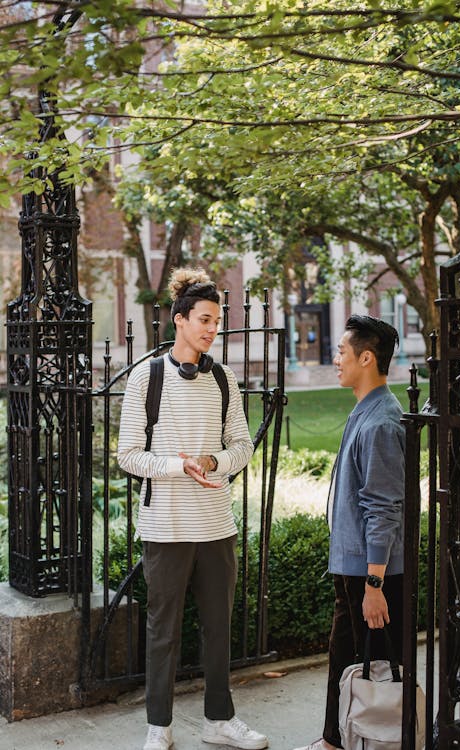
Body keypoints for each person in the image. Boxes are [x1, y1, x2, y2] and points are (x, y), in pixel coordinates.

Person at [118, 268, 268, 750]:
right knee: (163, 631)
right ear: (179, 320)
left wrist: (213, 460)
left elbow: (243, 446)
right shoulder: (148, 376)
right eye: (204, 319)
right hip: (165, 526)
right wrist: (177, 466)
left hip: (216, 525)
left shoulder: (223, 378)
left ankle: (219, 721)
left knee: (219, 629)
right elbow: (127, 455)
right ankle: (158, 727)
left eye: (217, 321)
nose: (212, 329)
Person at [293, 314, 405, 750]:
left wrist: (374, 584)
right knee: (345, 661)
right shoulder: (365, 411)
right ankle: (334, 740)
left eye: (341, 352)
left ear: (366, 357)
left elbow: (383, 508)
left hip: (370, 573)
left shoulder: (381, 423)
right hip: (352, 567)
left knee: (375, 671)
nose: (335, 359)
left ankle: (373, 742)